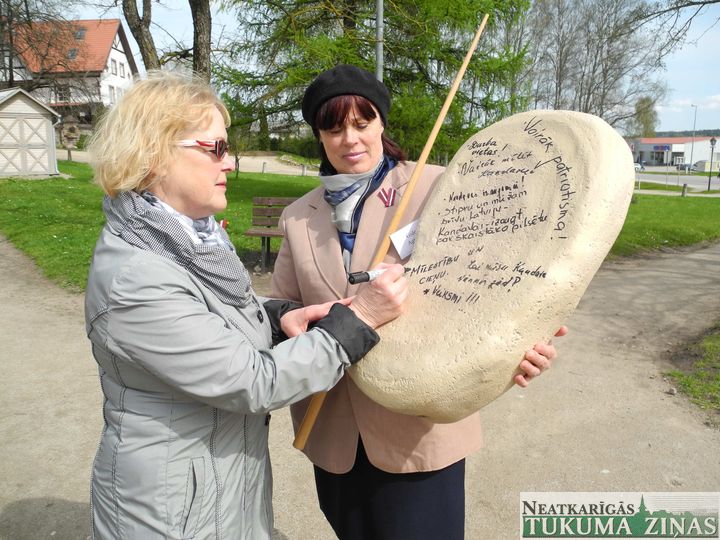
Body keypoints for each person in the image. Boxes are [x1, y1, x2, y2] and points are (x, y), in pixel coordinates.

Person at [83, 71, 409, 539]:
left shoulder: (179, 241)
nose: (229, 162)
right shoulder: (137, 279)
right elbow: (254, 382)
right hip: (176, 509)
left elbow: (207, 308)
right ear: (154, 156)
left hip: (215, 483)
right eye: (215, 148)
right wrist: (361, 318)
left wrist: (277, 317)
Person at [270, 64, 568, 540]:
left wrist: (523, 341)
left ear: (381, 124)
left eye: (362, 123)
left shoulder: (439, 188)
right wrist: (296, 322)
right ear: (319, 136)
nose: (350, 139)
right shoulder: (297, 216)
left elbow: (500, 277)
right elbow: (281, 307)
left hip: (417, 432)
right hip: (333, 429)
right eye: (334, 128)